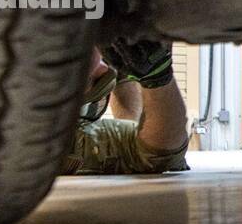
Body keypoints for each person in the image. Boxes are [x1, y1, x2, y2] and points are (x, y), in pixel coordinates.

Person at [62, 40, 190, 175]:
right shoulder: (64, 146)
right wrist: (156, 75)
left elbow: (156, 152)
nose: (102, 67)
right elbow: (159, 154)